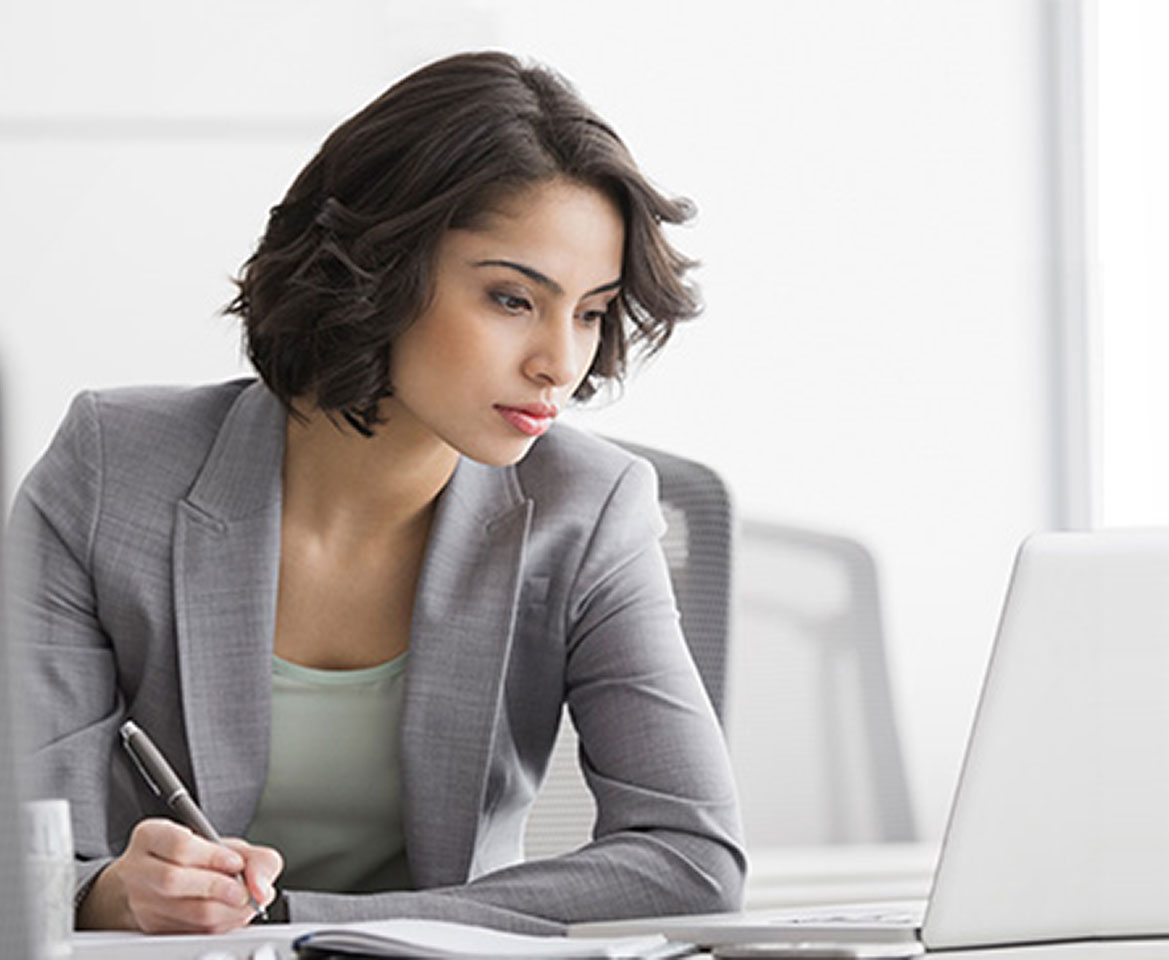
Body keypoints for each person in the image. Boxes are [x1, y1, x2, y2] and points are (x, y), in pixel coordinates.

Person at [9, 51, 745, 936]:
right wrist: (115, 894)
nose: (561, 361)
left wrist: (300, 924)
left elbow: (690, 861)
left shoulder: (591, 510)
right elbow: (31, 858)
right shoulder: (111, 473)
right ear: (376, 265)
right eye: (512, 299)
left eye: (590, 312)